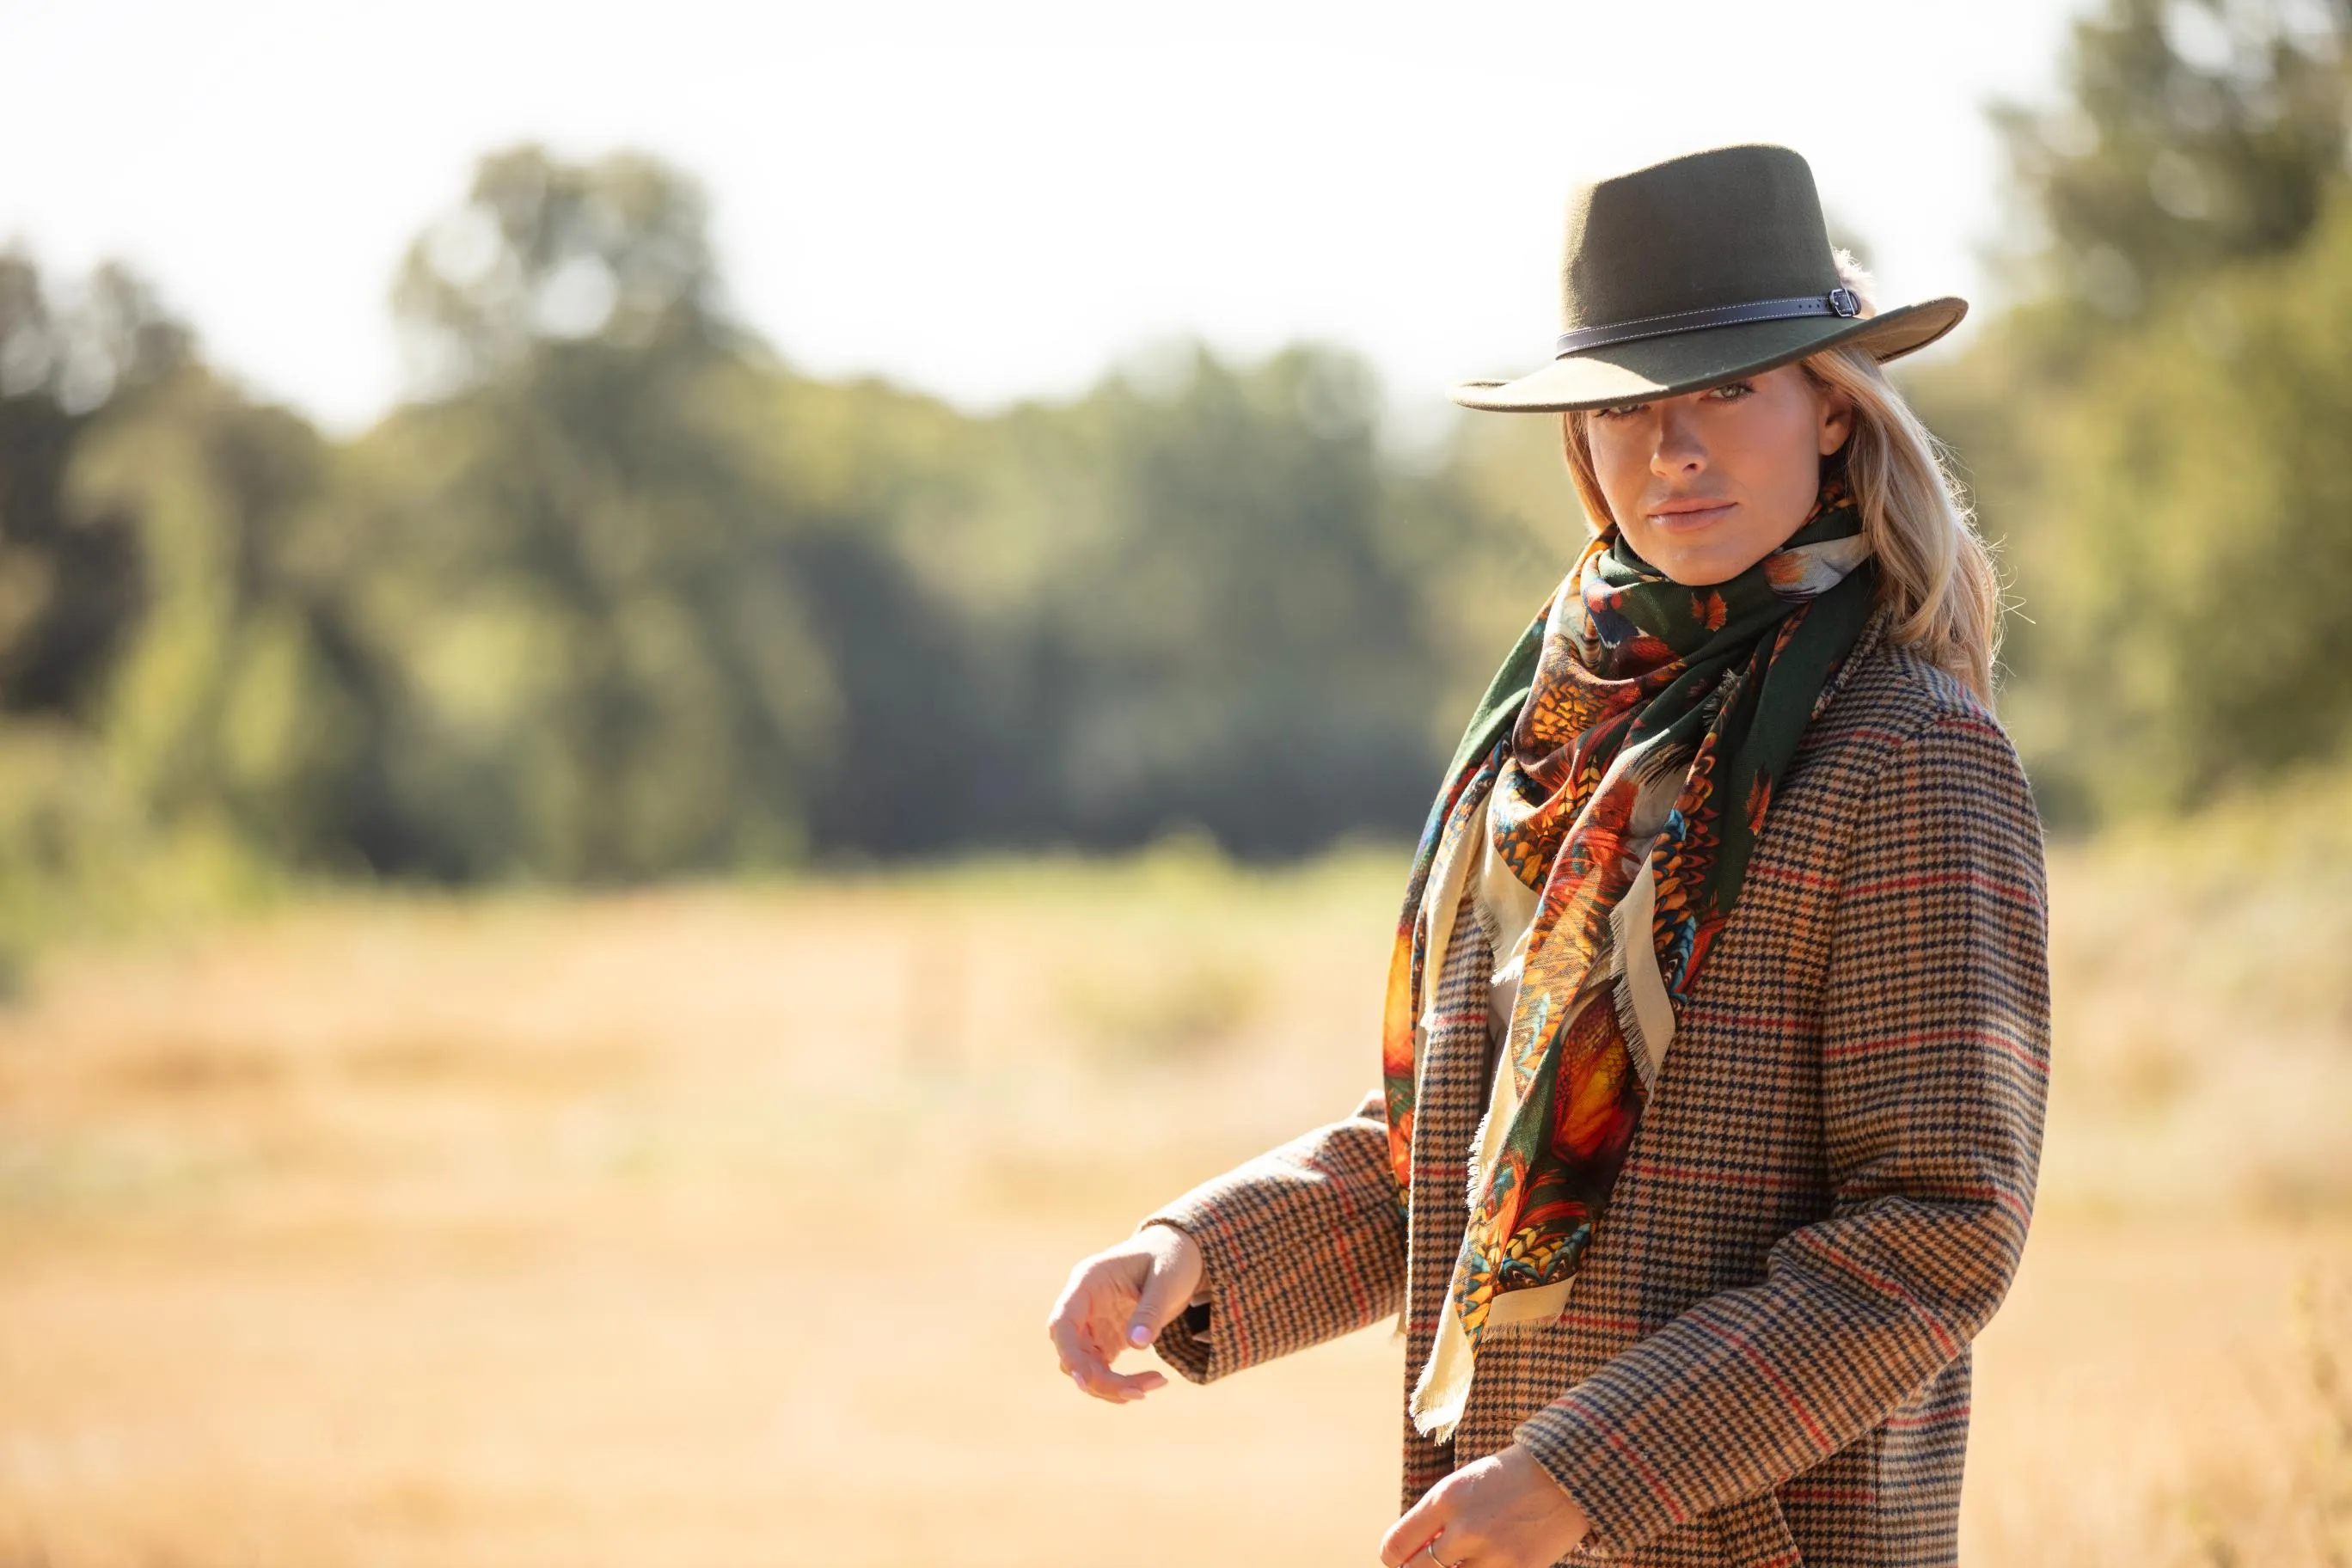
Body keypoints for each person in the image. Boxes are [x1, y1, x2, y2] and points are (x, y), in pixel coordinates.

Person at [1044, 142, 2051, 1568]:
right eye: (1627, 407)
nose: (1675, 447)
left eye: (1727, 390)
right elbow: (1458, 1153)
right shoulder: (1552, 740)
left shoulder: (1907, 753)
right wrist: (1190, 1255)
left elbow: (1935, 1233)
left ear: (1830, 411)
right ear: (1579, 441)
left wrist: (1587, 1471)